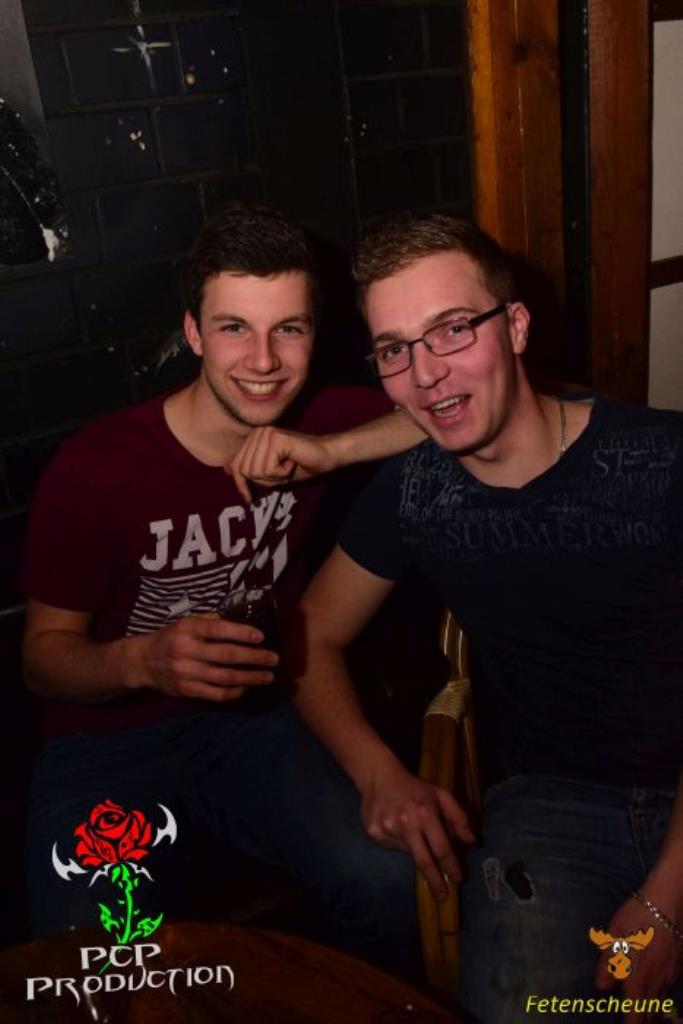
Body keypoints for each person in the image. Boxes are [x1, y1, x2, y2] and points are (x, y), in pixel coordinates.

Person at [272, 214, 683, 1022]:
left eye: (452, 329)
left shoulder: (661, 462)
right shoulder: (416, 492)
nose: (426, 374)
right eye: (394, 349)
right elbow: (309, 632)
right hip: (552, 810)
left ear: (515, 326)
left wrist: (667, 900)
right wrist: (376, 773)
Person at [20, 202, 426, 977]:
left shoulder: (313, 419)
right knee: (93, 964)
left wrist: (331, 450)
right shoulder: (98, 467)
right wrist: (144, 660)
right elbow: (42, 661)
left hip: (250, 725)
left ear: (315, 334)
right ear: (195, 333)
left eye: (289, 329)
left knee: (387, 879)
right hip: (104, 744)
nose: (264, 361)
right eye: (235, 327)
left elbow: (445, 409)